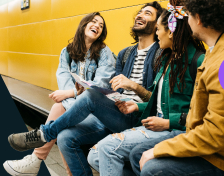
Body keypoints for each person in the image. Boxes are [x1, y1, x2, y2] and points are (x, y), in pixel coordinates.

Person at [7, 2, 164, 175]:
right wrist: (101, 96)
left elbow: (158, 99)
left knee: (88, 97)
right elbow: (109, 90)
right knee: (65, 137)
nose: (140, 15)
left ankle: (43, 136)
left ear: (158, 24)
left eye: (147, 13)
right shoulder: (124, 54)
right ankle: (40, 151)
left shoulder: (161, 54)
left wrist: (133, 87)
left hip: (136, 116)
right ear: (83, 24)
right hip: (113, 111)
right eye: (139, 12)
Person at [129, 0, 224, 176]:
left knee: (153, 169)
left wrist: (158, 150)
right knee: (138, 155)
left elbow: (216, 135)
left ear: (198, 19)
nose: (185, 21)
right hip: (215, 143)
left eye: (188, 15)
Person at [87, 1, 206, 175]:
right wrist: (137, 106)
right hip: (153, 123)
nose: (157, 34)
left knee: (106, 149)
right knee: (94, 156)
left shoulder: (199, 61)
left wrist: (168, 122)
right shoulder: (166, 58)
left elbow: (204, 114)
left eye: (158, 29)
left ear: (171, 32)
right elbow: (158, 102)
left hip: (173, 129)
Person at [3, 12, 116, 176]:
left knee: (60, 109)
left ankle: (35, 160)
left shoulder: (104, 53)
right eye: (94, 21)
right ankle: (48, 166)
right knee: (63, 126)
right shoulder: (67, 52)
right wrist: (72, 98)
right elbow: (63, 79)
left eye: (101, 25)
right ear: (84, 24)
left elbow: (101, 86)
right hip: (73, 108)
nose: (97, 26)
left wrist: (71, 93)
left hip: (97, 112)